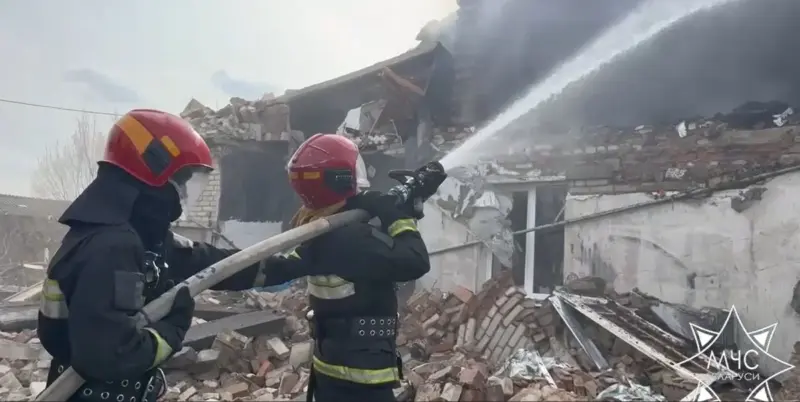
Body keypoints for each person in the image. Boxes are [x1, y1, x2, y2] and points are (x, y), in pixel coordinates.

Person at [37, 109, 274, 402]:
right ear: (154, 172)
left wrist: (285, 262)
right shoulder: (110, 247)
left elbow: (212, 264)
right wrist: (172, 329)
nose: (184, 195)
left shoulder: (137, 235)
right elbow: (110, 358)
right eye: (183, 181)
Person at [252, 133, 436, 402]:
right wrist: (400, 217)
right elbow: (414, 260)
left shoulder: (320, 227)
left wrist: (392, 203)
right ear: (340, 179)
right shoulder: (347, 238)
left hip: (334, 370)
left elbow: (377, 253)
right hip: (362, 381)